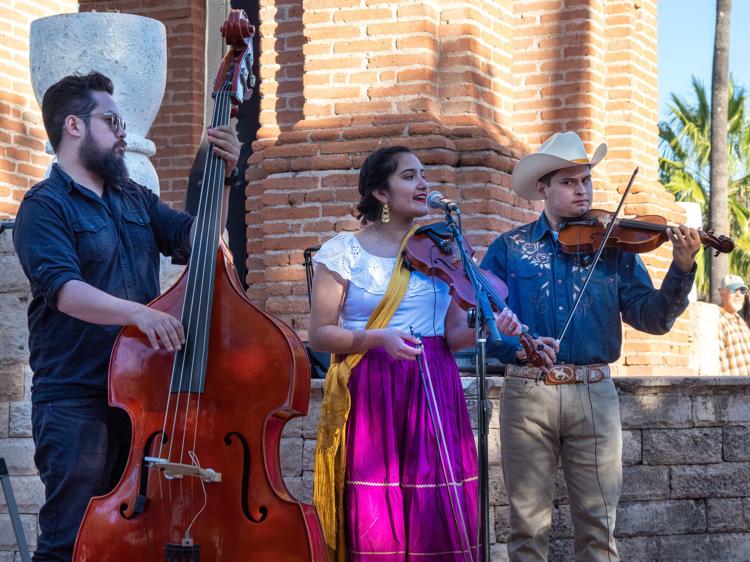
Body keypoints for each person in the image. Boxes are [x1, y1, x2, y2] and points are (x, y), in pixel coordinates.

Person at [12, 72, 240, 562]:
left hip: (141, 394)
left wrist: (223, 175)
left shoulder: (132, 196)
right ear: (74, 125)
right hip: (77, 396)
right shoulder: (43, 207)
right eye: (112, 120)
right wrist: (140, 313)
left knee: (129, 538)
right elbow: (65, 291)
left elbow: (201, 241)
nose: (122, 133)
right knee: (69, 538)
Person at [480, 132, 701, 561]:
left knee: (599, 529)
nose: (582, 190)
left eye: (586, 181)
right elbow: (487, 321)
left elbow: (652, 318)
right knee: (526, 531)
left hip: (593, 390)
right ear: (542, 188)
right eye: (569, 182)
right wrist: (516, 347)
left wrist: (682, 267)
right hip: (527, 392)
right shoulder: (510, 249)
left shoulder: (613, 248)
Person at [309, 146, 522, 562]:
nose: (424, 184)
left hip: (435, 380)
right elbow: (319, 335)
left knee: (436, 503)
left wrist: (488, 324)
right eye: (409, 176)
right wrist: (377, 339)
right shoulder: (342, 251)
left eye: (423, 175)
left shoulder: (441, 251)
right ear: (381, 194)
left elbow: (452, 336)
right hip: (374, 386)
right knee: (380, 509)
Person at [717, 274, 750, 375]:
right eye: (733, 289)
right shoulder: (717, 321)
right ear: (721, 293)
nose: (738, 294)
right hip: (731, 389)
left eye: (742, 290)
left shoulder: (742, 323)